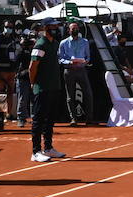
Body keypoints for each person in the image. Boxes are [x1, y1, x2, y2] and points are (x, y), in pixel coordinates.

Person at [27, 20, 67, 163]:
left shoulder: (55, 44)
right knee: (38, 120)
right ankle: (36, 151)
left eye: (57, 26)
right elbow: (33, 66)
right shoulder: (40, 44)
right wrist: (33, 84)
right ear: (45, 28)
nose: (56, 29)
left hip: (54, 87)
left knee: (50, 119)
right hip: (42, 88)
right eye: (53, 27)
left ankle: (48, 147)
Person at [58, 20, 93, 126]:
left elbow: (88, 57)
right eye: (73, 29)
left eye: (76, 28)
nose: (75, 30)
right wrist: (70, 62)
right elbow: (60, 58)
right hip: (69, 70)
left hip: (81, 70)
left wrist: (85, 61)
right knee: (70, 96)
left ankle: (89, 118)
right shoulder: (63, 43)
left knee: (88, 94)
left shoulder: (85, 42)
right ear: (69, 30)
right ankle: (73, 119)